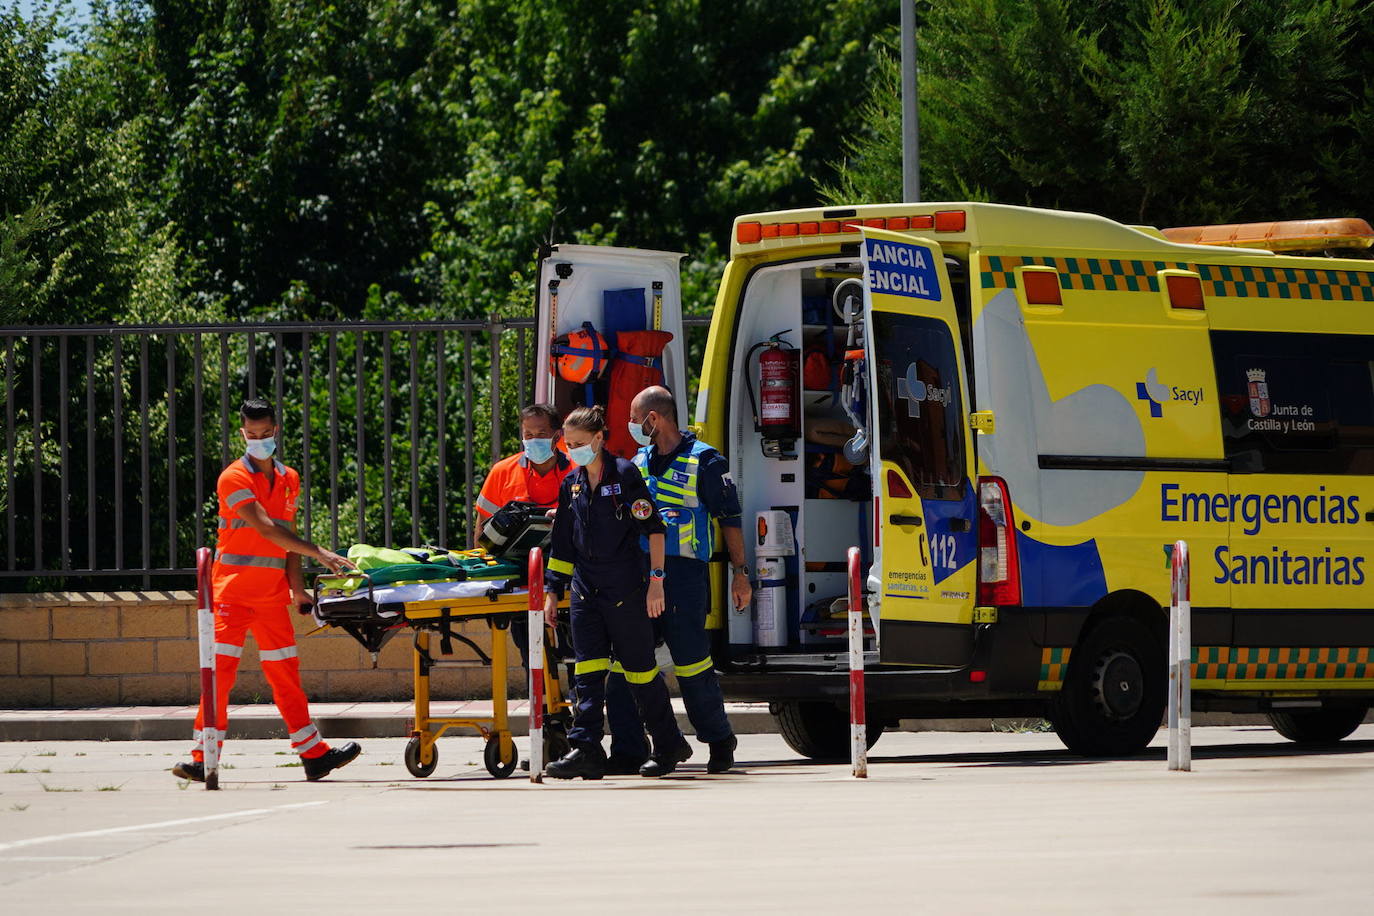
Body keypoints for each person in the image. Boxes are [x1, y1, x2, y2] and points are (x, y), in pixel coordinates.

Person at [172, 398, 362, 783]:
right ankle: (201, 758)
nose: (258, 440)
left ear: (276, 431)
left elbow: (287, 541)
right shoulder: (232, 478)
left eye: (265, 433)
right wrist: (321, 553)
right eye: (251, 434)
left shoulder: (289, 478)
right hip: (231, 594)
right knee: (218, 676)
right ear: (243, 433)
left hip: (272, 598)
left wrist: (297, 590)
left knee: (286, 676)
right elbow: (266, 529)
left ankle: (314, 754)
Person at [603, 386, 752, 774]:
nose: (632, 427)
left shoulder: (706, 462)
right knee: (626, 665)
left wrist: (740, 574)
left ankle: (719, 741)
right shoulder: (637, 462)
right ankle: (632, 747)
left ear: (654, 419)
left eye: (636, 419)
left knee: (691, 663)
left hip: (684, 575)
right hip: (640, 576)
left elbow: (730, 521)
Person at [542, 405, 693, 779]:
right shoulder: (571, 484)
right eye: (567, 443)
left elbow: (654, 530)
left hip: (626, 587)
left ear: (598, 439)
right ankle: (586, 748)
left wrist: (656, 581)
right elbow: (562, 542)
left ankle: (668, 743)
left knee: (640, 671)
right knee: (587, 671)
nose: (572, 450)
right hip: (585, 589)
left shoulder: (624, 475)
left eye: (578, 443)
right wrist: (551, 591)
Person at [474, 404, 572, 526]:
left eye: (541, 434)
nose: (534, 440)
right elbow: (482, 527)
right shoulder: (502, 471)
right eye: (529, 435)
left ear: (557, 436)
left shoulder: (578, 470)